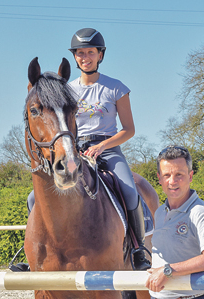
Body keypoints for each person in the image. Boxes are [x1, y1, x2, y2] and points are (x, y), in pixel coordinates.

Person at [27, 27, 151, 270]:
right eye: (80, 53)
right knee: (34, 197)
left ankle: (138, 250)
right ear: (75, 57)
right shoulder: (66, 89)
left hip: (108, 148)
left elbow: (129, 129)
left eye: (90, 52)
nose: (85, 57)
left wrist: (103, 146)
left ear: (100, 55)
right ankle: (35, 251)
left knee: (128, 190)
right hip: (74, 149)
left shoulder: (116, 88)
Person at [145, 146, 204, 299]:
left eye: (179, 174)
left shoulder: (200, 212)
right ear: (159, 178)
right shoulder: (159, 212)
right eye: (167, 175)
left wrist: (168, 270)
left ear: (190, 176)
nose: (172, 181)